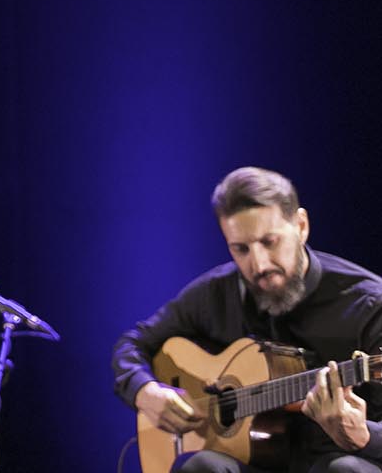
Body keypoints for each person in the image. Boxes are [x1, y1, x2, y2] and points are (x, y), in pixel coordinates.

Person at [112, 166, 382, 473]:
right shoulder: (215, 294)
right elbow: (134, 343)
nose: (259, 264)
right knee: (200, 466)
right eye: (240, 249)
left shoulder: (369, 304)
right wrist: (144, 392)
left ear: (302, 225)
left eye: (269, 242)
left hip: (335, 462)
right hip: (256, 463)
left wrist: (363, 436)